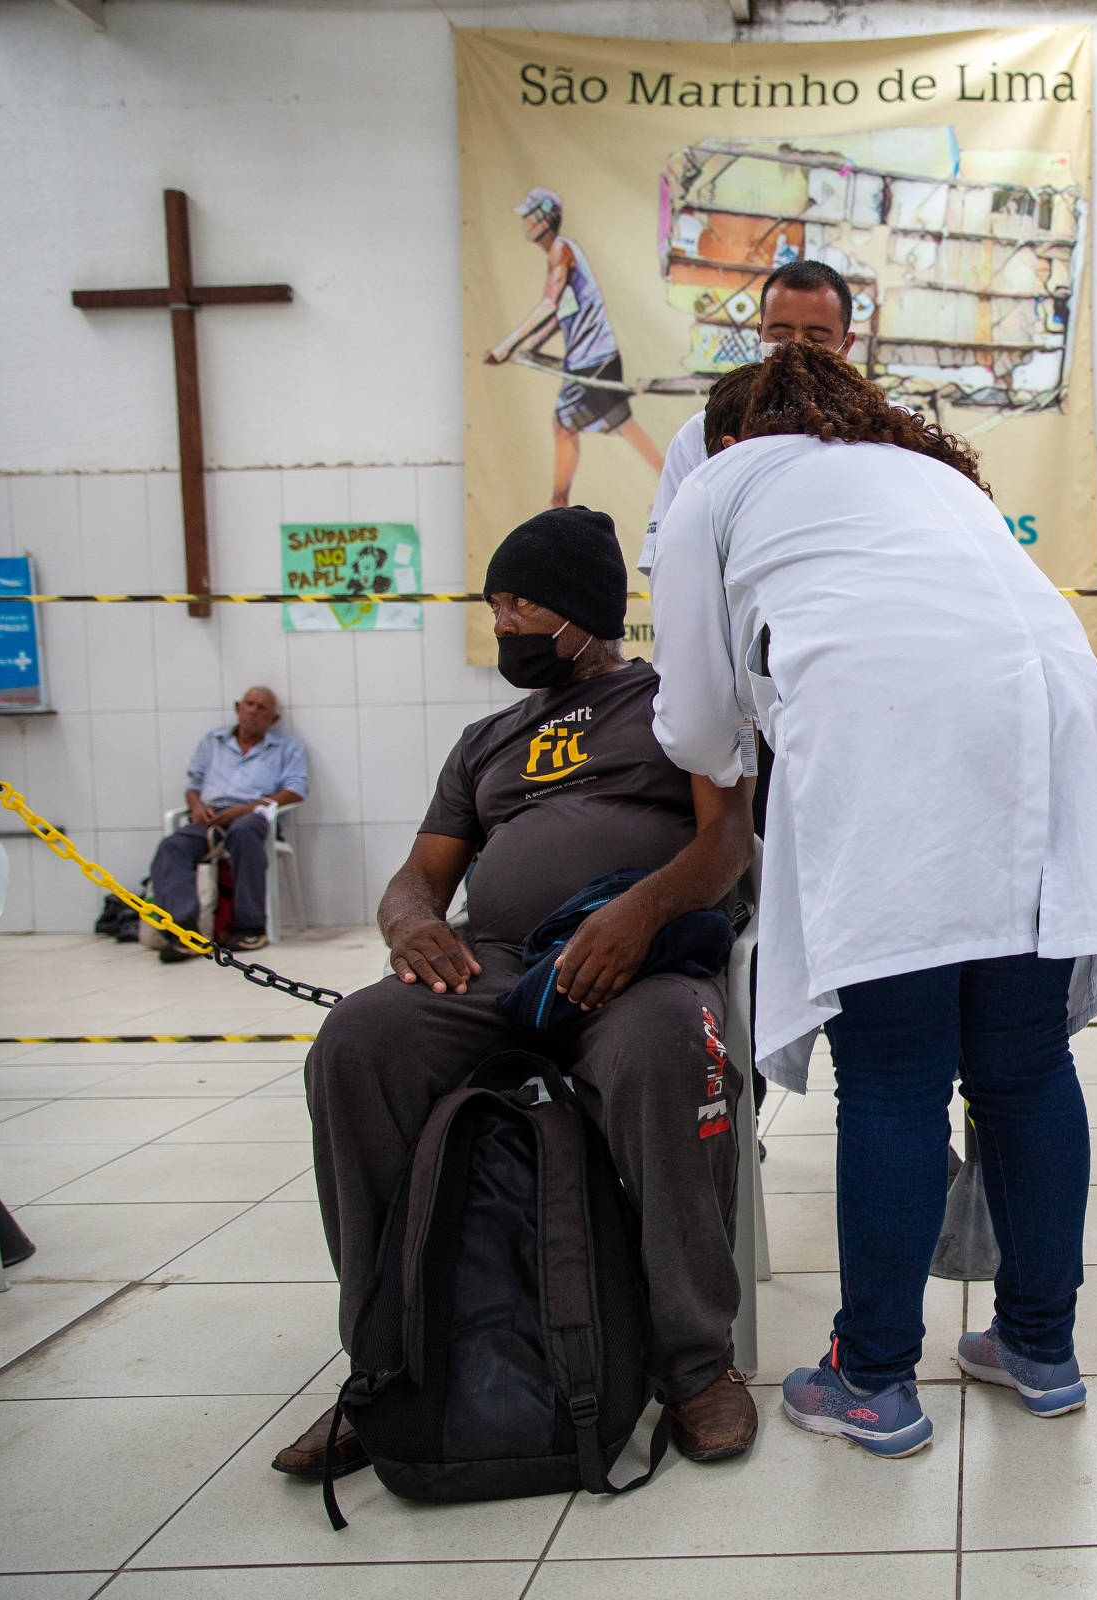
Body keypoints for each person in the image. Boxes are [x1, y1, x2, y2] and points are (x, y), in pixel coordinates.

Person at [649, 342, 1097, 1459]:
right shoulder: (930, 472)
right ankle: (1039, 1344)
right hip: (1047, 724)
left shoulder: (718, 485)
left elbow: (688, 723)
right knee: (1021, 1065)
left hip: (895, 733)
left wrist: (740, 737)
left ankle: (871, 1374)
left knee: (895, 1076)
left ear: (730, 433)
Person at [273, 507, 758, 1481]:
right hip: (496, 961)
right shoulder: (485, 740)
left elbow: (725, 841)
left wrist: (638, 912)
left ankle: (697, 1363)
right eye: (495, 604)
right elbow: (421, 874)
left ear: (582, 612)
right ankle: (388, 1362)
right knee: (359, 1042)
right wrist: (409, 922)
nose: (503, 622)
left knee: (674, 1042)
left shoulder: (676, 703)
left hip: (639, 960)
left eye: (520, 602)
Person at [637, 257, 858, 580]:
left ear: (846, 344)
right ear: (760, 335)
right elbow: (670, 565)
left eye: (815, 338)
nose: (795, 348)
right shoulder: (701, 433)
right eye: (780, 334)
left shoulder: (890, 433)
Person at [483, 187, 664, 507]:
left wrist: (506, 347)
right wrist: (529, 348)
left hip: (591, 359)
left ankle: (558, 504)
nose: (524, 222)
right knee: (622, 424)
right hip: (597, 356)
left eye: (529, 215)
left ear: (543, 220)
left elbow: (548, 306)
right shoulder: (563, 253)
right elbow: (560, 315)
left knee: (564, 425)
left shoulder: (561, 251)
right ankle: (671, 482)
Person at [149, 686, 307, 959]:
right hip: (210, 818)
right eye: (249, 704)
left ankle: (249, 928)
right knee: (172, 846)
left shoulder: (286, 747)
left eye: (262, 708)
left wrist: (245, 810)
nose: (253, 712)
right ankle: (183, 932)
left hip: (254, 816)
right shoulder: (213, 741)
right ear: (237, 707)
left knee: (245, 833)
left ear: (274, 719)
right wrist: (196, 807)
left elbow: (295, 790)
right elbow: (194, 784)